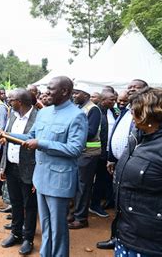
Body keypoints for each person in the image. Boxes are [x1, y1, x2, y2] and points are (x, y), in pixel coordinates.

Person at [0, 76, 87, 257]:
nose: (46, 92)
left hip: (59, 181)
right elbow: (30, 137)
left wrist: (42, 144)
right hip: (40, 177)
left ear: (65, 91)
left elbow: (75, 149)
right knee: (45, 225)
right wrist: (6, 134)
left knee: (58, 228)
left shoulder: (77, 115)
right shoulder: (43, 112)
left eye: (51, 89)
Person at [97, 79, 148, 250]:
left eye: (136, 87)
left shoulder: (145, 113)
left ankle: (128, 241)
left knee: (130, 204)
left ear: (145, 91)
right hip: (119, 163)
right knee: (119, 203)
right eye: (130, 87)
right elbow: (115, 134)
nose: (132, 89)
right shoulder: (126, 110)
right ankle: (116, 238)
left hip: (134, 166)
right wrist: (111, 157)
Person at [113, 87, 162, 256]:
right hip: (126, 231)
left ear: (148, 114)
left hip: (150, 241)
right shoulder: (138, 137)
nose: (131, 116)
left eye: (134, 112)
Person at [0, 88, 38, 255]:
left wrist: (37, 176)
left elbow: (37, 146)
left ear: (20, 102)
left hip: (30, 170)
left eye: (11, 99)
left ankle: (28, 238)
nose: (8, 101)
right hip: (12, 166)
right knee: (15, 203)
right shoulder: (12, 115)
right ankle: (16, 233)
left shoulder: (39, 117)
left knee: (29, 205)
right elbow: (5, 140)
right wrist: (3, 166)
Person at [68, 83, 102, 229]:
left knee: (83, 186)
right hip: (78, 153)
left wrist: (71, 134)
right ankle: (75, 213)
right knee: (76, 185)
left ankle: (81, 218)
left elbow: (91, 132)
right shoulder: (79, 108)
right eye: (74, 93)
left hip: (88, 154)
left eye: (77, 93)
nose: (74, 95)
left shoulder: (93, 109)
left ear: (86, 95)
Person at [89, 91, 118, 218]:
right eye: (111, 99)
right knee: (87, 181)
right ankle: (80, 208)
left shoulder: (114, 112)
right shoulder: (96, 111)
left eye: (114, 99)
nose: (114, 102)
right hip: (94, 152)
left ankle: (95, 205)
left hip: (107, 153)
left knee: (101, 180)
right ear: (102, 99)